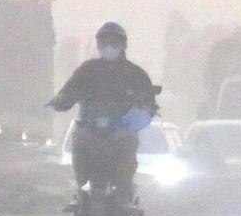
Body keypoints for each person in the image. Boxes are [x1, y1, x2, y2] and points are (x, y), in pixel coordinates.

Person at [47, 22, 159, 192]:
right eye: (105, 42)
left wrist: (148, 107)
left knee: (130, 142)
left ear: (123, 45)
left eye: (114, 42)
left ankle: (125, 190)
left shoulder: (135, 74)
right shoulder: (87, 70)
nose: (109, 46)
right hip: (89, 128)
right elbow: (69, 91)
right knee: (78, 137)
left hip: (122, 130)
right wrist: (60, 100)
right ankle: (81, 185)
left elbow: (148, 99)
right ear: (98, 45)